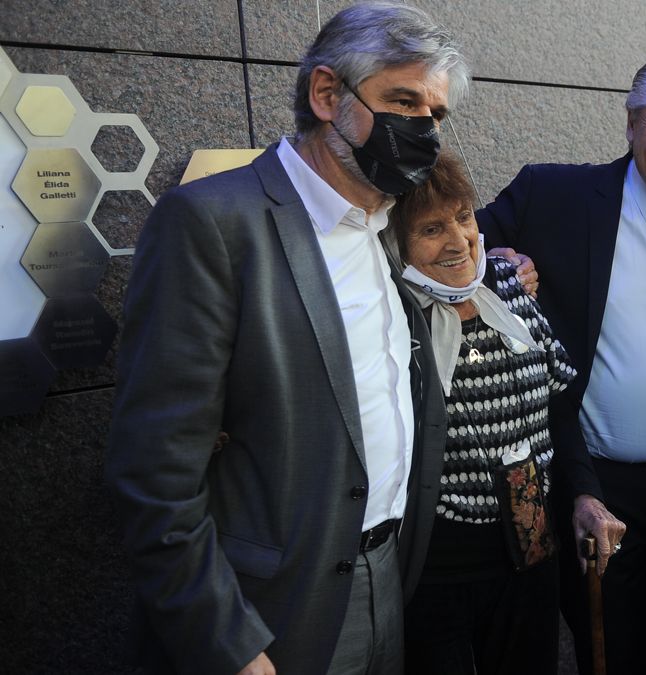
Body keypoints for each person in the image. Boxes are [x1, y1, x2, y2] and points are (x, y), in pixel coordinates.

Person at [104, 4, 468, 673]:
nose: (422, 129)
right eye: (402, 101)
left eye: (436, 114)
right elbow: (154, 475)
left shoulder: (387, 225)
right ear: (327, 94)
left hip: (388, 580)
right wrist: (230, 645)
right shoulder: (212, 224)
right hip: (267, 610)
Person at [476, 50, 646, 675]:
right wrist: (496, 266)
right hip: (596, 488)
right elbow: (447, 243)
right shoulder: (554, 196)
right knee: (610, 652)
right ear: (630, 123)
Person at [391, 152, 577, 674]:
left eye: (465, 216)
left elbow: (557, 388)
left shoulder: (508, 283)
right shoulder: (391, 313)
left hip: (532, 545)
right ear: (394, 242)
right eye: (431, 228)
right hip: (440, 560)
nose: (459, 240)